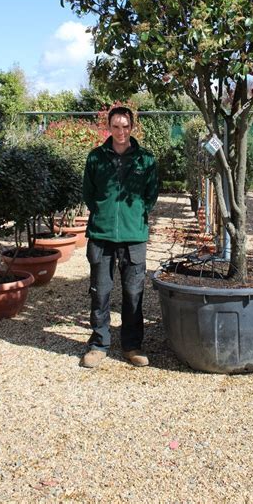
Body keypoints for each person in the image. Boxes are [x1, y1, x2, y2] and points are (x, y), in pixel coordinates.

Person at [81, 106, 158, 369]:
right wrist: (104, 213)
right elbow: (89, 194)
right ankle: (98, 344)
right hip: (101, 235)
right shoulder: (95, 158)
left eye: (125, 126)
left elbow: (151, 196)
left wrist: (134, 216)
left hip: (134, 235)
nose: (121, 131)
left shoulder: (146, 160)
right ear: (109, 127)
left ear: (132, 127)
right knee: (100, 292)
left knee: (133, 293)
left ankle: (132, 346)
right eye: (116, 126)